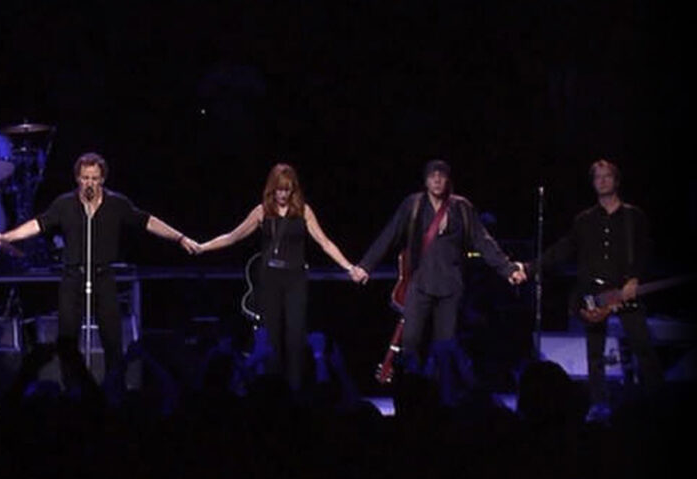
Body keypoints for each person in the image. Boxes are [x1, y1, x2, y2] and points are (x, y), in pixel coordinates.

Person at [0, 152, 200, 393]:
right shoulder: (64, 204)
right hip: (72, 278)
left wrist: (179, 238)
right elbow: (38, 224)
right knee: (68, 341)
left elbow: (147, 221)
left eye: (94, 178)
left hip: (103, 278)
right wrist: (7, 237)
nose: (89, 183)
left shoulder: (116, 203)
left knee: (113, 341)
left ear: (102, 179)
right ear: (77, 179)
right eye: (85, 178)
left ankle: (114, 391)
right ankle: (72, 392)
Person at [351, 160, 527, 380]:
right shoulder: (413, 205)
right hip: (420, 283)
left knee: (445, 347)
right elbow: (390, 234)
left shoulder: (461, 207)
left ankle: (444, 391)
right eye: (432, 176)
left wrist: (508, 269)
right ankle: (410, 387)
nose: (436, 180)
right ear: (425, 181)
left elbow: (483, 241)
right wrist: (366, 266)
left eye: (441, 176)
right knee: (410, 341)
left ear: (447, 180)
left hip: (451, 286)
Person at [197, 163, 362, 391]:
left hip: (296, 279)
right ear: (271, 189)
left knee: (295, 335)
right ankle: (273, 390)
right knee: (271, 337)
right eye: (279, 190)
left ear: (293, 189)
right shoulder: (261, 211)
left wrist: (349, 267)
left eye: (287, 189)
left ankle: (295, 389)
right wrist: (203, 247)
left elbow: (325, 243)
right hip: (270, 279)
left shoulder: (303, 211)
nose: (283, 194)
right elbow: (232, 236)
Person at [527, 159, 663, 418]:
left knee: (643, 348)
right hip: (594, 294)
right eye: (597, 177)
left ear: (616, 180)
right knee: (595, 355)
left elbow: (646, 250)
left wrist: (635, 278)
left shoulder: (634, 216)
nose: (602, 181)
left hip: (626, 291)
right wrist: (531, 267)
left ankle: (657, 403)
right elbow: (562, 249)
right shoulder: (584, 220)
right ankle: (599, 405)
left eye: (607, 176)